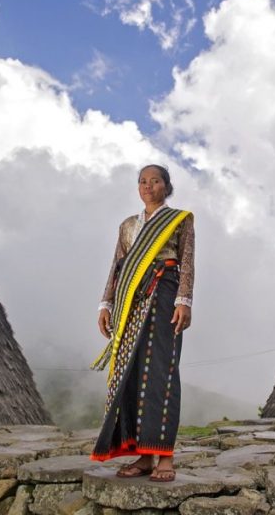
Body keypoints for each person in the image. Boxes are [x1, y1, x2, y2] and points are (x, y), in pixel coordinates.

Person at [89, 164, 195, 483]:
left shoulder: (179, 219)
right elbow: (117, 266)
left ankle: (164, 455)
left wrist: (184, 300)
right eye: (143, 181)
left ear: (167, 186)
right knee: (131, 372)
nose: (148, 186)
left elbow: (188, 260)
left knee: (160, 369)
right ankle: (144, 455)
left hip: (164, 291)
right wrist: (106, 304)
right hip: (128, 300)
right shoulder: (127, 226)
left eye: (155, 181)